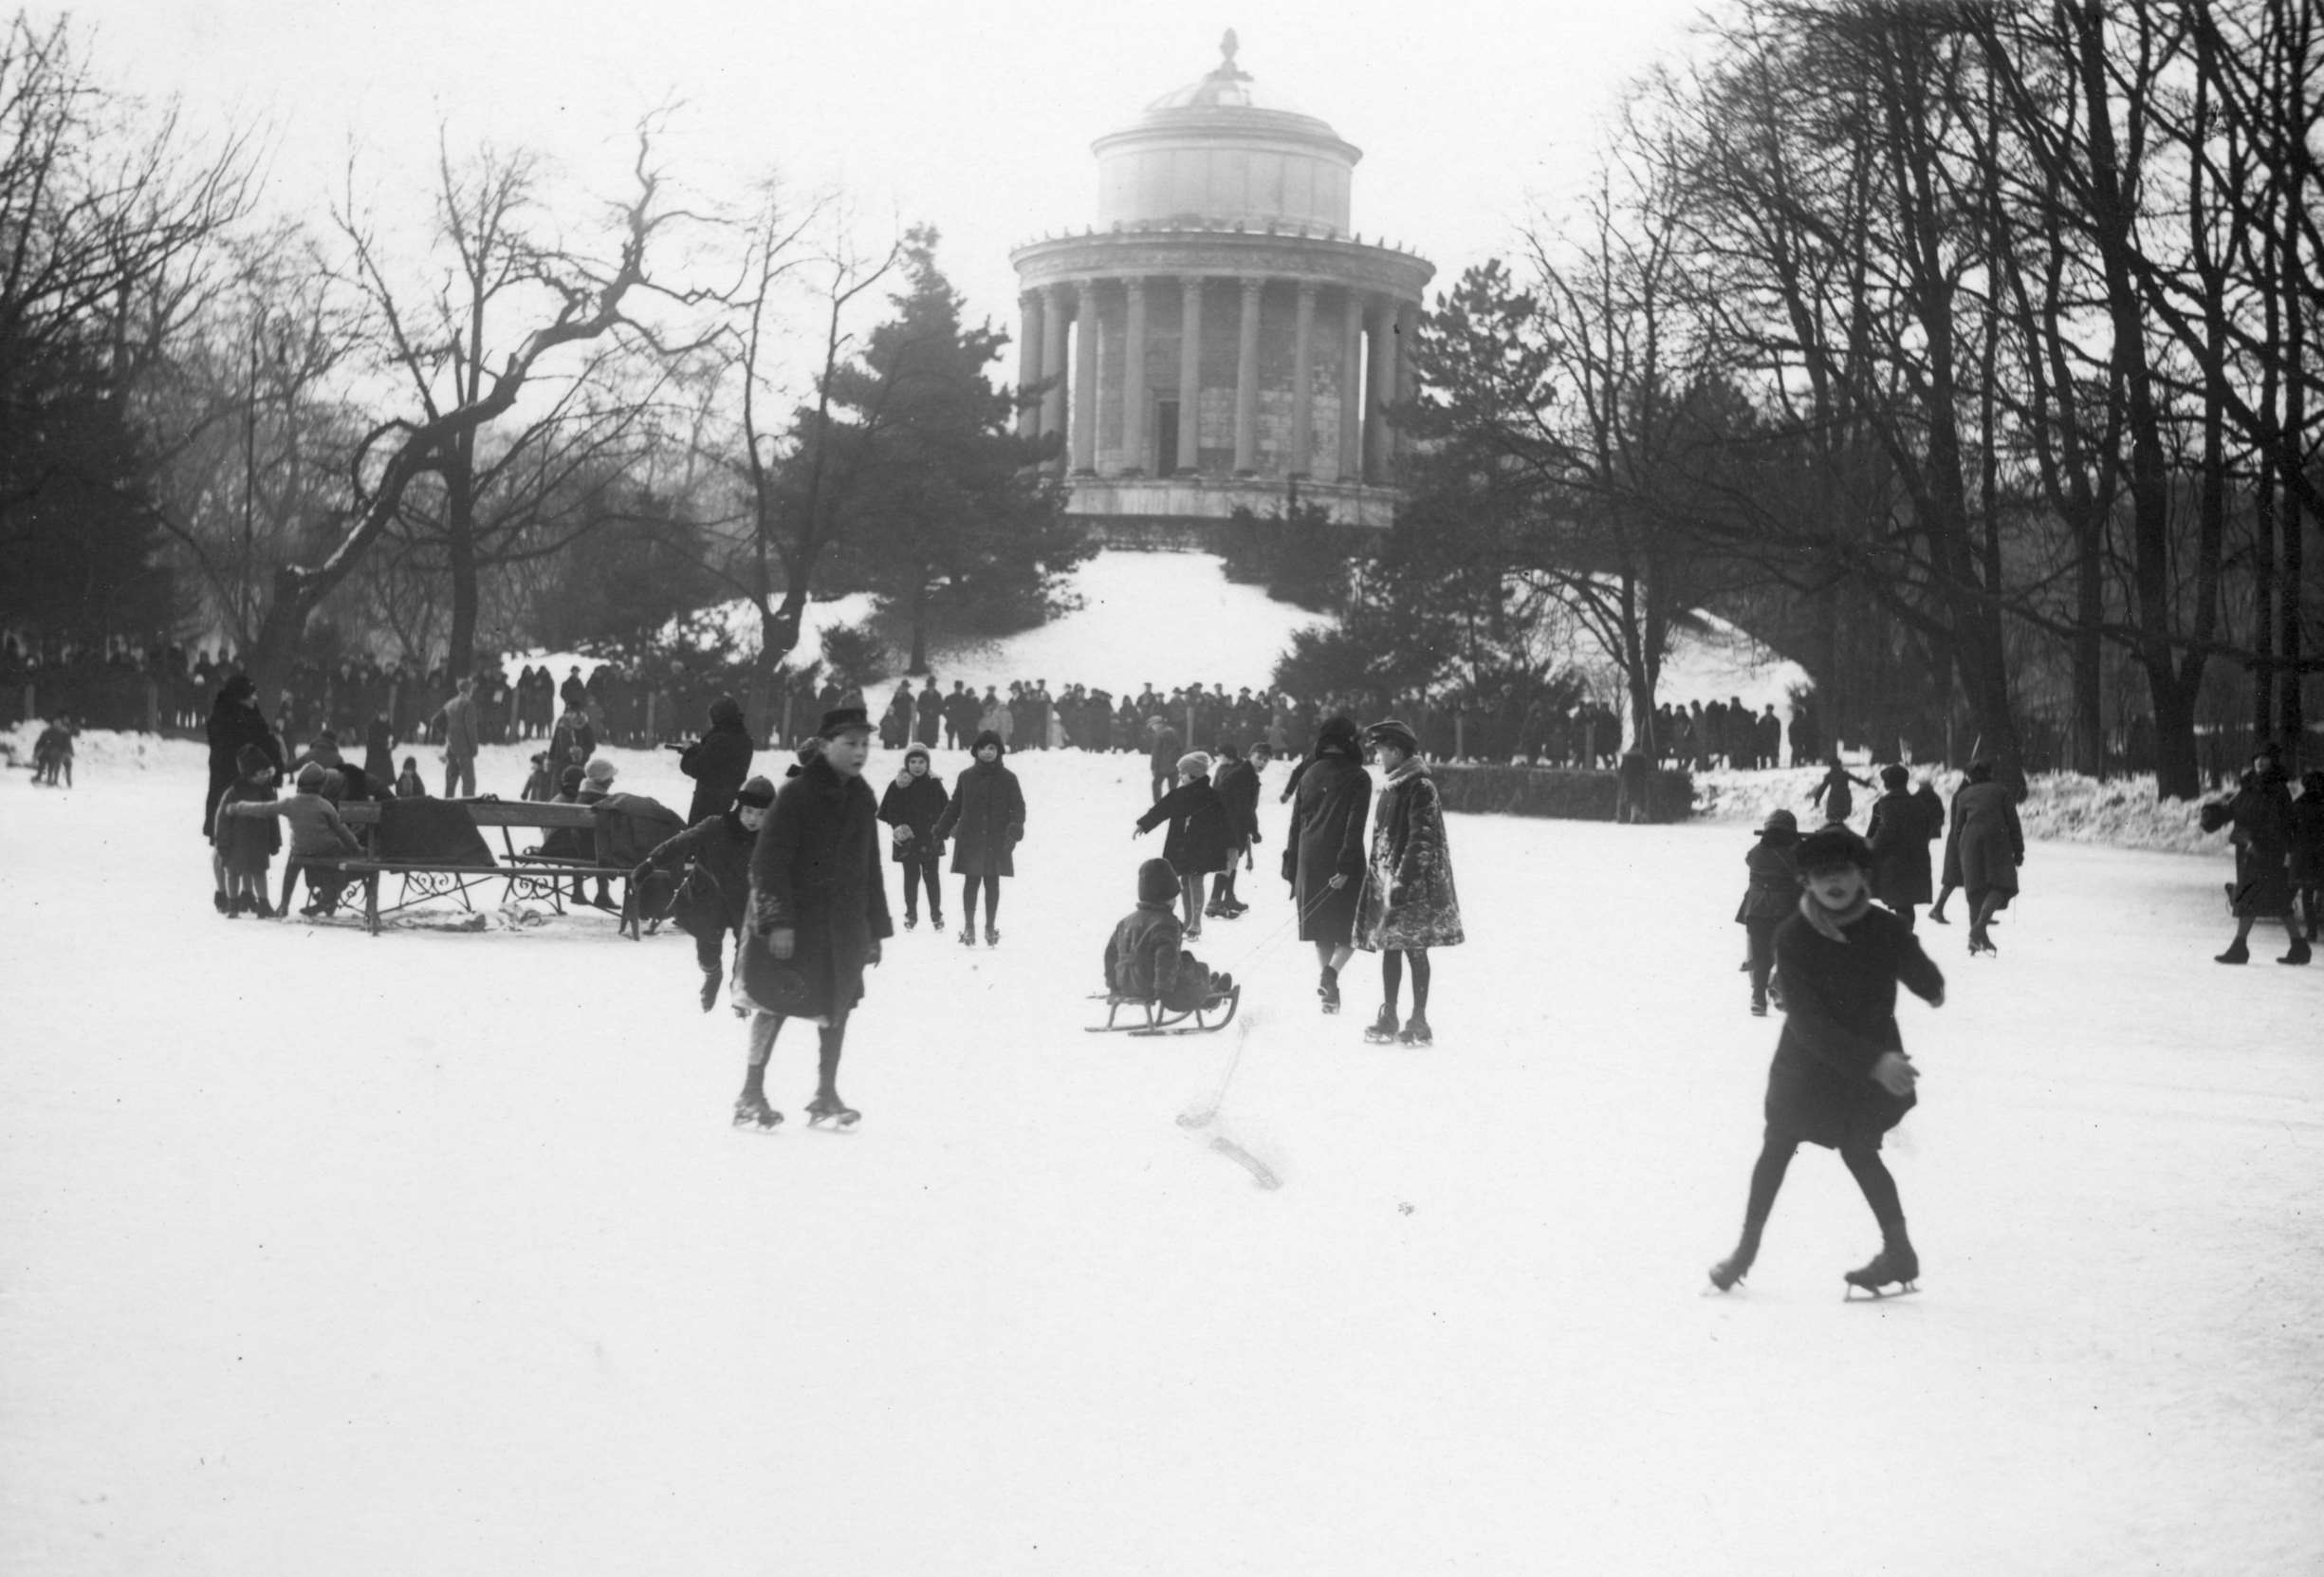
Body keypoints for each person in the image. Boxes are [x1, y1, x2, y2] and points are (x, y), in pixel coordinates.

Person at [1706, 825, 1946, 1297]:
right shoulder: (1793, 936)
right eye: (1821, 875)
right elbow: (1808, 1022)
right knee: (1777, 1149)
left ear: (1862, 876)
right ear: (1806, 882)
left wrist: (1917, 967)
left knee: (1859, 1149)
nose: (1833, 883)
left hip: (1868, 1071)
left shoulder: (1883, 928)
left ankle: (1899, 1251)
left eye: (1844, 872)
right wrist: (1876, 1062)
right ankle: (1745, 1251)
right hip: (1807, 1065)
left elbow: (1930, 983)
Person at [731, 708, 891, 1132]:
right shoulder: (796, 794)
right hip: (794, 924)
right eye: (849, 743)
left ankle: (826, 1093)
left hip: (841, 927)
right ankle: (751, 1092)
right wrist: (778, 922)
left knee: (836, 1002)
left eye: (864, 743)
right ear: (824, 746)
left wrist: (875, 928)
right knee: (772, 1001)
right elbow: (768, 863)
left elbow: (870, 865)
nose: (859, 752)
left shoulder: (862, 797)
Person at [1352, 719, 1464, 1047]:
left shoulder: (1419, 787)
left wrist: (1402, 882)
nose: (1378, 758)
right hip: (1390, 882)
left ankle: (1419, 1020)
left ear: (1397, 752)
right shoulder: (1394, 785)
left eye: (1382, 751)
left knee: (1415, 949)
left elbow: (1421, 841)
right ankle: (1389, 1015)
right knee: (1390, 947)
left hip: (1414, 887)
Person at [635, 774, 775, 1012]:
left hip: (747, 903)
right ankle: (713, 975)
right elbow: (681, 842)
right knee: (707, 954)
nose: (754, 819)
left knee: (747, 953)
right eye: (749, 811)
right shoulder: (715, 826)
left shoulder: (772, 837)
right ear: (739, 807)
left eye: (762, 814)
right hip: (709, 898)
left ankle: (740, 997)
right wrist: (650, 862)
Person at [1284, 715, 1373, 1014]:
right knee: (1351, 928)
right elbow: (1354, 826)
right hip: (1342, 857)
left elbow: (1296, 822)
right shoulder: (1359, 777)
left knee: (1320, 928)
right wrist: (1346, 866)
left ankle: (1329, 993)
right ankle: (1331, 975)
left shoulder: (1309, 773)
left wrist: (1291, 864)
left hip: (1309, 858)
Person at [2201, 743, 2307, 966]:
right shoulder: (2249, 787)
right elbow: (2235, 809)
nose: (2260, 762)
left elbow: (2282, 823)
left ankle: (2240, 947)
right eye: (2257, 757)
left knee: (2251, 898)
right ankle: (2298, 946)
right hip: (2248, 851)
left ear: (2273, 762)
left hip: (2266, 852)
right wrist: (2216, 815)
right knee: (2277, 900)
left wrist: (2258, 840)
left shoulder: (2278, 790)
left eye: (2266, 758)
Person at [221, 762, 364, 917]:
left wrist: (239, 807)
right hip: (326, 849)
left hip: (300, 850)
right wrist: (357, 848)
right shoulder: (325, 806)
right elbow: (341, 830)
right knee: (337, 853)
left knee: (292, 865)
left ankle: (284, 903)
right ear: (321, 786)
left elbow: (264, 809)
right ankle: (329, 897)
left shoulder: (291, 804)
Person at [1104, 858, 1233, 1013]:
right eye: (1174, 897)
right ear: (1167, 898)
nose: (1175, 901)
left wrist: (1113, 985)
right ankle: (1207, 996)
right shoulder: (1167, 923)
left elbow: (1110, 954)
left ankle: (1203, 984)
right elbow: (1166, 956)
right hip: (1152, 986)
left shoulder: (1125, 922)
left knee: (1184, 962)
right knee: (1191, 963)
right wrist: (1162, 989)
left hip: (1125, 983)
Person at [933, 729, 1025, 947]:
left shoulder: (1009, 778)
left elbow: (1018, 808)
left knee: (992, 883)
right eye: (983, 748)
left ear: (999, 751)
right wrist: (941, 829)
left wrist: (1013, 831)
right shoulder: (966, 777)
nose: (987, 752)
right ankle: (969, 927)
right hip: (971, 839)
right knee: (971, 882)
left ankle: (990, 927)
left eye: (992, 748)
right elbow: (954, 806)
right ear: (975, 751)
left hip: (997, 840)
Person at [204, 674, 285, 914]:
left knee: (250, 841)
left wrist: (272, 769)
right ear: (241, 697)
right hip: (226, 789)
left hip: (252, 785)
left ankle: (247, 894)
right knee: (224, 843)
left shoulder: (252, 715)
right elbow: (226, 756)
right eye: (251, 693)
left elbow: (266, 743)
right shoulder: (222, 718)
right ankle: (223, 894)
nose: (256, 697)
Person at [1134, 751, 1232, 939]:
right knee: (1184, 881)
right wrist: (1144, 823)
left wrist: (1226, 846)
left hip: (1201, 846)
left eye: (1183, 773)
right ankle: (1187, 920)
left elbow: (1223, 823)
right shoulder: (1178, 794)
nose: (1179, 777)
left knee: (1196, 880)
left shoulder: (1211, 796)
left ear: (1195, 774)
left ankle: (1196, 922)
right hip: (1181, 845)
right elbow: (1161, 810)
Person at [1949, 759, 2023, 955]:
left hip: (1969, 841)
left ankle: (1978, 939)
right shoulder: (2001, 791)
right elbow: (2013, 822)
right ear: (1989, 773)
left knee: (1975, 890)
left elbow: (1957, 828)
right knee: (2002, 885)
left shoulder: (1963, 795)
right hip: (1997, 839)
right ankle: (1978, 929)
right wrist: (2018, 850)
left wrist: (1962, 850)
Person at [876, 744, 950, 933]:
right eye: (913, 761)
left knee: (931, 877)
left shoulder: (935, 783)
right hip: (908, 839)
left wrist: (942, 827)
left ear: (927, 763)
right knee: (911, 877)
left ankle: (936, 914)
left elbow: (946, 809)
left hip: (930, 837)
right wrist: (898, 826)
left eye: (921, 762)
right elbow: (890, 810)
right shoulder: (898, 784)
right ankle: (911, 914)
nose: (917, 765)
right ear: (907, 763)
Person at [1736, 808, 1800, 1017]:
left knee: (1761, 957)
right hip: (1785, 910)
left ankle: (1758, 999)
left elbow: (1750, 859)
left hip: (1756, 912)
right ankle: (1780, 990)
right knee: (1786, 953)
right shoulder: (1796, 854)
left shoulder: (1755, 852)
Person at [212, 744, 282, 917]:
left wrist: (275, 841)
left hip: (259, 842)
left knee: (259, 873)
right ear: (250, 774)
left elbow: (273, 818)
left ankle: (264, 903)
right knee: (233, 873)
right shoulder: (234, 792)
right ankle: (233, 904)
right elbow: (222, 820)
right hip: (237, 842)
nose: (266, 776)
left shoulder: (266, 792)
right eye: (261, 773)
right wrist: (222, 843)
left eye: (268, 772)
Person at [1865, 765, 1936, 931]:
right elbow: (1927, 830)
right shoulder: (1919, 803)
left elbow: (1877, 834)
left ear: (1887, 783)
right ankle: (1905, 938)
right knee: (1905, 906)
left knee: (1897, 904)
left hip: (1893, 864)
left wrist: (1869, 848)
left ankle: (1900, 942)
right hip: (1916, 862)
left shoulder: (1883, 805)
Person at [1208, 740, 1269, 918]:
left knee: (1232, 860)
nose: (1262, 763)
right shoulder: (1243, 774)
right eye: (1259, 758)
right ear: (1250, 756)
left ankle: (1227, 898)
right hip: (1230, 824)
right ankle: (1215, 902)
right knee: (1230, 860)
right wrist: (1254, 829)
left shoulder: (1245, 772)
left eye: (1266, 760)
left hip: (1234, 823)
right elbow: (1243, 805)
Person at [677, 695, 755, 826]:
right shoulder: (745, 739)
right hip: (729, 800)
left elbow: (697, 768)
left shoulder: (718, 739)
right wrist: (700, 749)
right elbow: (720, 761)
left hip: (707, 802)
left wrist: (689, 752)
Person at [2291, 769, 2324, 945]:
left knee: (2307, 894)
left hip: (2303, 856)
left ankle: (2311, 931)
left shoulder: (2298, 804)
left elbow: (2290, 830)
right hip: (2320, 855)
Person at [432, 677, 479, 797]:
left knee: (450, 783)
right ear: (469, 690)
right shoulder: (468, 704)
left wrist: (447, 732)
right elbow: (471, 728)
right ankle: (469, 807)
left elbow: (435, 721)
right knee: (469, 783)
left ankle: (447, 808)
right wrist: (474, 747)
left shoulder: (449, 703)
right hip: (465, 750)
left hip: (451, 747)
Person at [1808, 754, 1872, 826]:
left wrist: (1817, 800)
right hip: (1844, 799)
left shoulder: (1830, 775)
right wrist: (1868, 784)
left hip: (1834, 800)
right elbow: (1857, 780)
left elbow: (1822, 788)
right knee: (1841, 818)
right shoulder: (1844, 774)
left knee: (1833, 819)